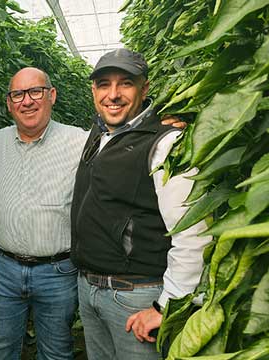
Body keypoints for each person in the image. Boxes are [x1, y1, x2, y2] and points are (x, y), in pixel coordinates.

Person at [0, 66, 184, 359]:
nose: (27, 101)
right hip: (5, 269)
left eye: (36, 92)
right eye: (18, 94)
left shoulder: (84, 142)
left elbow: (123, 139)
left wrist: (157, 129)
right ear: (9, 103)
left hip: (58, 271)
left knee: (56, 351)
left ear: (52, 96)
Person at [70, 49, 211, 360]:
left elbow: (193, 232)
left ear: (144, 88)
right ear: (93, 91)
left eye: (126, 84)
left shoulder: (165, 143)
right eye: (104, 84)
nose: (113, 95)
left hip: (136, 297)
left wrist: (167, 305)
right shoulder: (99, 133)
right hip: (91, 290)